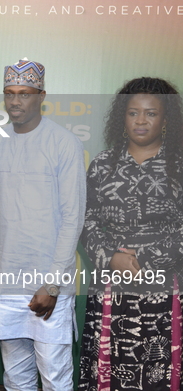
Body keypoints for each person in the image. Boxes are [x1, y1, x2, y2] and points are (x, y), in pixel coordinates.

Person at [0, 58, 86, 391]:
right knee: (15, 375)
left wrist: (52, 284)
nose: (15, 101)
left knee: (55, 376)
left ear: (41, 95)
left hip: (48, 285)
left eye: (24, 93)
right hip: (6, 280)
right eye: (9, 93)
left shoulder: (64, 143)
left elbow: (73, 218)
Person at [79, 77, 183, 390]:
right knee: (109, 372)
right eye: (133, 112)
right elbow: (87, 220)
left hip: (163, 290)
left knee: (160, 372)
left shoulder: (178, 166)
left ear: (165, 119)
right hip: (111, 286)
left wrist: (146, 258)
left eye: (151, 113)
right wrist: (111, 258)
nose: (140, 120)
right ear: (121, 118)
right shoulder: (102, 165)